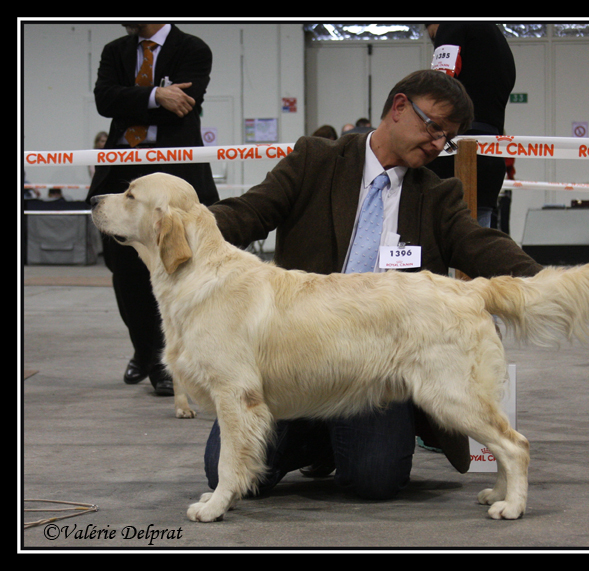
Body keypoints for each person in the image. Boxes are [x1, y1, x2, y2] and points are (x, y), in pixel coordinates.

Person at [203, 69, 543, 501]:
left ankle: (334, 443)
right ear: (399, 107)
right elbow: (249, 211)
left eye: (448, 137)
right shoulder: (315, 159)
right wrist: (188, 227)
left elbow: (481, 244)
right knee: (223, 476)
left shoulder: (438, 195)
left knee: (374, 481)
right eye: (434, 126)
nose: (439, 143)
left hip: (374, 369)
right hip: (291, 360)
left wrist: (539, 282)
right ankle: (316, 441)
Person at [86, 23, 219, 396]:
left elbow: (182, 106)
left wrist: (139, 99)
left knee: (182, 270)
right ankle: (146, 352)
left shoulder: (193, 48)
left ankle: (175, 359)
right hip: (121, 173)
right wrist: (156, 95)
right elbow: (104, 101)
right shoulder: (116, 51)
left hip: (177, 177)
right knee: (125, 273)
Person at [425, 23, 516, 229]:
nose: (435, 41)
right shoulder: (500, 43)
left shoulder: (451, 26)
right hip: (491, 156)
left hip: (453, 155)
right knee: (477, 243)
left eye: (433, 36)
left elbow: (441, 85)